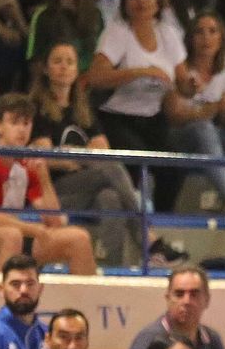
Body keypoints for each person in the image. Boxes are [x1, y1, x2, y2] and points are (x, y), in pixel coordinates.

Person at [0, 92, 96, 275]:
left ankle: (81, 304)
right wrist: (33, 229)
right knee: (11, 236)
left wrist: (44, 178)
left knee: (78, 238)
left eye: (26, 123)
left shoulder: (27, 164)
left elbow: (54, 221)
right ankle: (0, 302)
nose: (22, 130)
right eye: (14, 122)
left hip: (14, 233)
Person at [28, 40, 143, 268]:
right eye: (57, 61)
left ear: (77, 69)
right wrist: (85, 156)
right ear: (45, 68)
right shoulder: (37, 108)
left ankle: (112, 270)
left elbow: (104, 150)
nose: (64, 67)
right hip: (55, 191)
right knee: (107, 169)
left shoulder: (82, 108)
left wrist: (73, 156)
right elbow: (48, 158)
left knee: (110, 197)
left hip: (89, 187)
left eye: (70, 62)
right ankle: (147, 236)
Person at [84, 0, 184, 203]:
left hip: (153, 116)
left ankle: (162, 224)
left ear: (157, 2)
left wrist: (192, 85)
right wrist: (141, 72)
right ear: (125, 3)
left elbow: (183, 81)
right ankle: (135, 221)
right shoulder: (117, 32)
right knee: (137, 161)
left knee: (174, 168)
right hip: (117, 116)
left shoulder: (168, 33)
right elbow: (96, 77)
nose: (141, 1)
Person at [164, 10, 225, 212]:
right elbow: (176, 116)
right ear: (190, 38)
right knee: (203, 127)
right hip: (183, 139)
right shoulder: (180, 67)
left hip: (216, 136)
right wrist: (218, 106)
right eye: (199, 32)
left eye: (213, 31)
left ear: (221, 37)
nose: (206, 38)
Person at [25, 0, 102, 73]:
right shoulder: (42, 16)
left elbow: (103, 55)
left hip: (91, 81)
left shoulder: (95, 14)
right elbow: (35, 60)